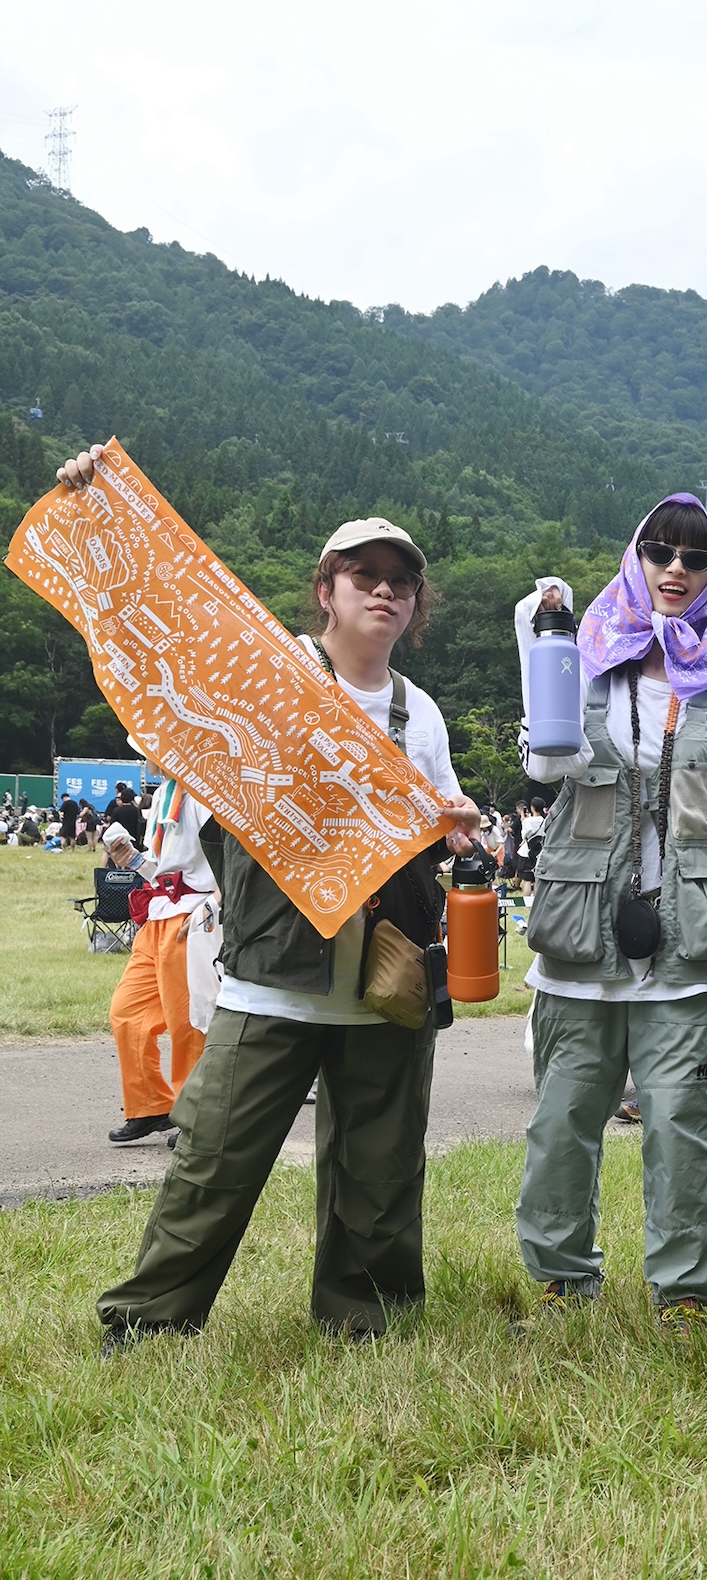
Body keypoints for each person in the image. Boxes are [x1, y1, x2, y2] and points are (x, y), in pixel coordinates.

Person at [54, 450, 481, 1350]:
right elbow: (161, 637)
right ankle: (147, 1324)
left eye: (401, 581)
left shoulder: (422, 714)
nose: (385, 591)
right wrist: (100, 507)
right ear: (326, 589)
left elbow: (437, 824)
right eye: (364, 575)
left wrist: (455, 824)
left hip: (383, 986)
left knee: (382, 1173)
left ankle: (364, 1326)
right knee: (210, 1164)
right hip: (269, 981)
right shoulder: (264, 671)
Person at [513, 493, 707, 1332]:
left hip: (683, 943)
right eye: (660, 552)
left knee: (682, 1127)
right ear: (635, 558)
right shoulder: (586, 657)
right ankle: (560, 1279)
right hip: (581, 940)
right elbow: (546, 761)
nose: (676, 570)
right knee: (562, 1120)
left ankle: (684, 1294)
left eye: (697, 559)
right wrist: (536, 630)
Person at [104, 753, 218, 1145]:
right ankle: (152, 1106)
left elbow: (238, 858)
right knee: (128, 1012)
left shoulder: (206, 793)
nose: (145, 756)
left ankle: (195, 1117)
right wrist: (130, 858)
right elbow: (164, 869)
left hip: (191, 919)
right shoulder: (165, 795)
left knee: (188, 1023)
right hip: (159, 914)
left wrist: (214, 905)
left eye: (150, 746)